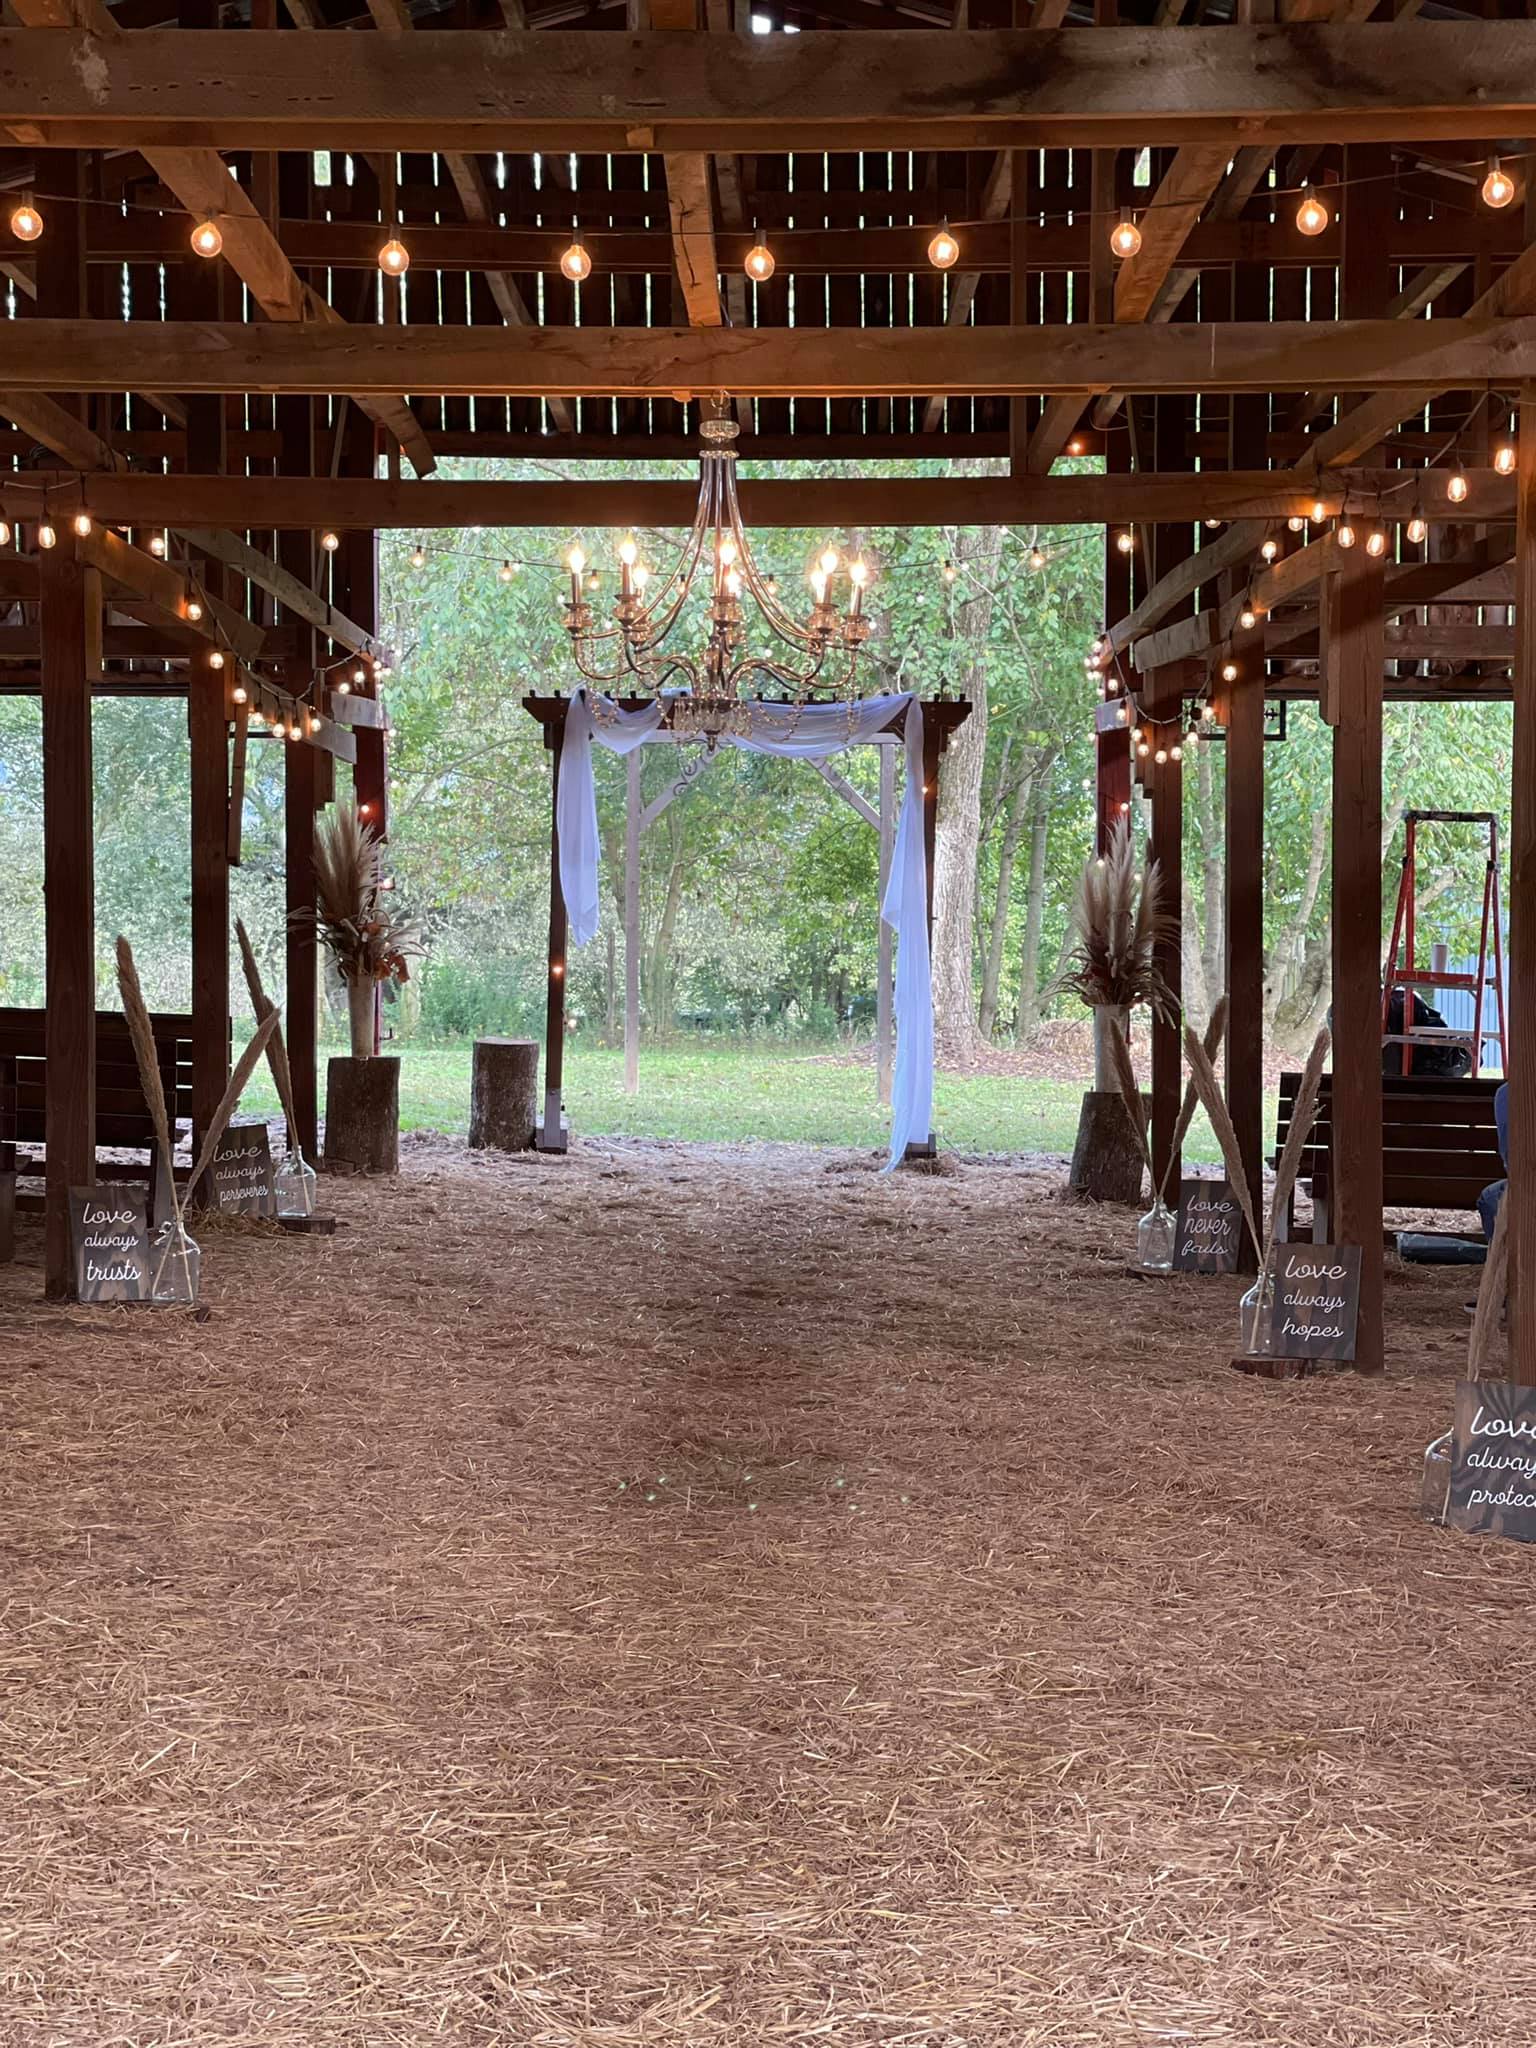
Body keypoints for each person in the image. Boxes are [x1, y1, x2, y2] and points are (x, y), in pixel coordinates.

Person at [1477, 1081, 1509, 1243]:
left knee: (1490, 1197)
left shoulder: (1509, 1093)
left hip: (1526, 1187)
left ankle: (1505, 1263)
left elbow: (1510, 1162)